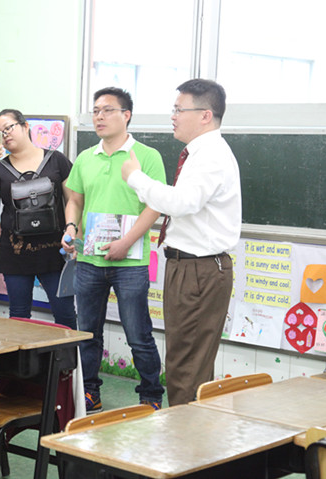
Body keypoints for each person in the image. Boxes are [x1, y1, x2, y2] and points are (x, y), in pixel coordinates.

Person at [121, 79, 241, 406]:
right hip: (190, 268)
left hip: (198, 270)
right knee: (187, 361)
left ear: (205, 115)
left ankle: (185, 435)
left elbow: (181, 202)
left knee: (186, 366)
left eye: (179, 110)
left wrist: (135, 177)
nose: (173, 117)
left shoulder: (211, 154)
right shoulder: (199, 153)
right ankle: (191, 431)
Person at [62, 87, 165, 412]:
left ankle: (150, 395)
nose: (99, 117)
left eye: (107, 110)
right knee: (87, 333)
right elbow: (74, 199)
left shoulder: (146, 156)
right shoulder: (85, 158)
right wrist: (70, 227)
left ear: (126, 115)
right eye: (95, 111)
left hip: (130, 263)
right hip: (88, 260)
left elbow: (155, 206)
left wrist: (126, 242)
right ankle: (90, 392)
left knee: (138, 335)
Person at [0, 109, 76, 329]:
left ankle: (68, 354)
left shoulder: (56, 160)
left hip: (55, 251)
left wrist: (73, 230)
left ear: (25, 126)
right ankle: (21, 355)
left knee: (65, 313)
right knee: (19, 316)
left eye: (8, 128)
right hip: (15, 252)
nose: (5, 134)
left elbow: (74, 201)